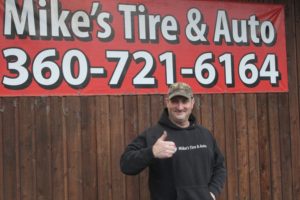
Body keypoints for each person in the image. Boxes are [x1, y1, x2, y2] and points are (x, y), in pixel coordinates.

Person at [120, 82, 226, 200]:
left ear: (192, 103)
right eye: (175, 101)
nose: (180, 107)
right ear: (167, 102)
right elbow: (126, 164)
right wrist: (152, 152)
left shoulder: (205, 135)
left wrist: (212, 192)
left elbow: (220, 167)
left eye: (184, 101)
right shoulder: (154, 135)